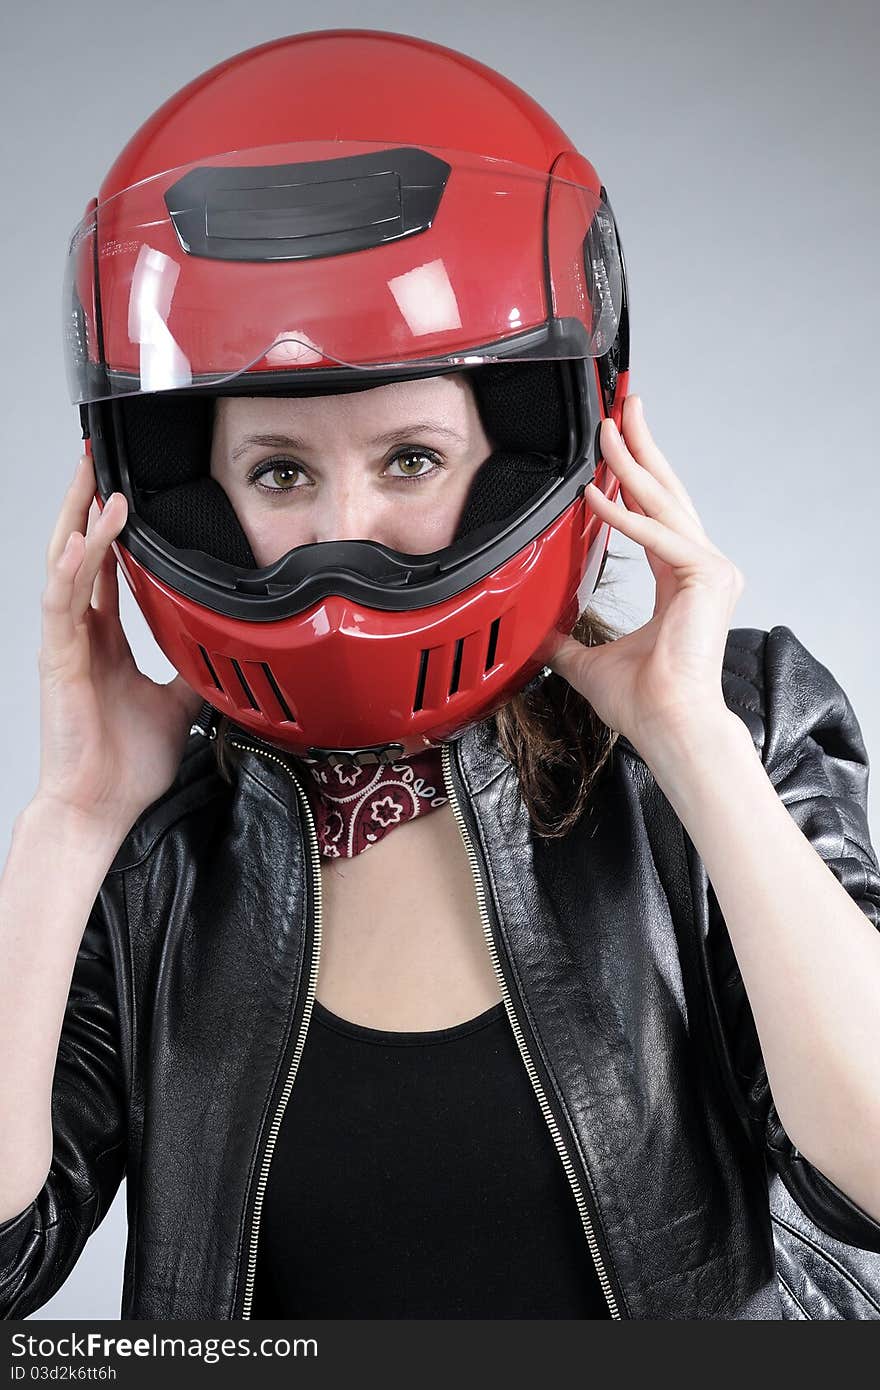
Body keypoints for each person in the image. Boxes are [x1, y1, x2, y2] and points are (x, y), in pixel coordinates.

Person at [2, 29, 880, 1323]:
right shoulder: (158, 859)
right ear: (186, 499)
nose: (343, 529)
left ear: (538, 452)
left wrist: (692, 740)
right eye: (280, 471)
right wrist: (70, 820)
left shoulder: (741, 719)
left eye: (411, 457)